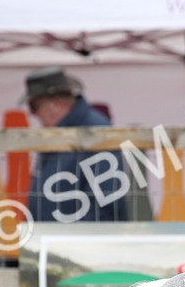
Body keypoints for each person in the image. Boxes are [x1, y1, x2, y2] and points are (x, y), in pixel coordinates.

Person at [23, 67, 128, 223]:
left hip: (78, 243)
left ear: (56, 103)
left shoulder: (95, 133)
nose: (33, 114)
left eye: (34, 106)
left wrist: (73, 241)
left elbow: (107, 202)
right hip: (53, 240)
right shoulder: (56, 133)